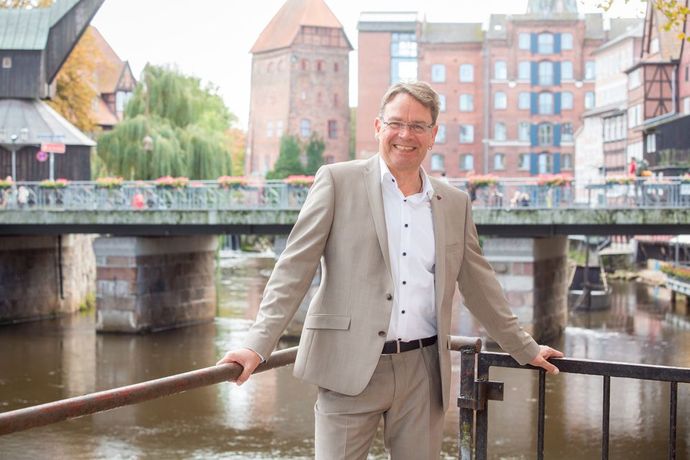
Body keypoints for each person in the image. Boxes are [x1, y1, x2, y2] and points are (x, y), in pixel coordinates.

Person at [217, 81, 563, 459]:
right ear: (378, 127)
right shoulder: (337, 181)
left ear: (433, 135)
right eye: (396, 123)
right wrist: (256, 345)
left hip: (423, 371)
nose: (405, 135)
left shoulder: (454, 203)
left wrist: (523, 347)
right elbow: (293, 270)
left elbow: (480, 286)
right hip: (347, 367)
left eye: (418, 126)